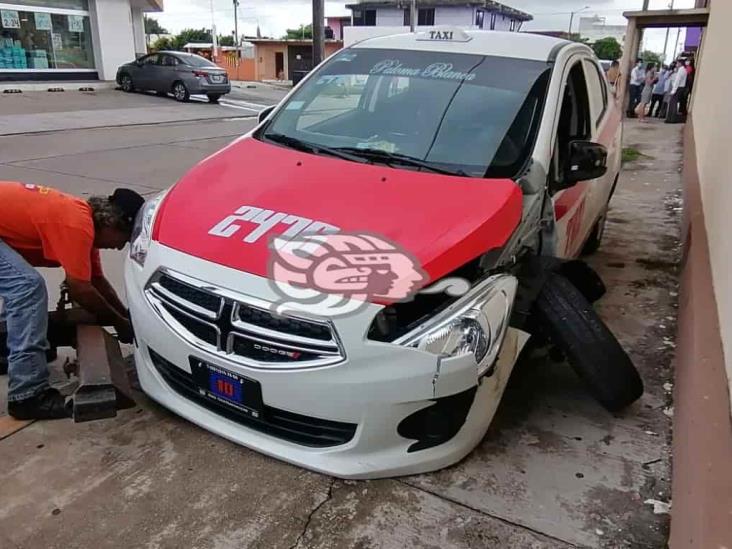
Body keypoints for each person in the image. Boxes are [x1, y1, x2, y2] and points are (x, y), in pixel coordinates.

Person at [0, 182, 144, 420]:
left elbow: (96, 282)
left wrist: (126, 316)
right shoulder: (77, 225)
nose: (120, 247)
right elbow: (80, 290)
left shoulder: (83, 222)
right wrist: (118, 323)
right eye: (124, 238)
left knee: (19, 279)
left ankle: (6, 349)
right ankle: (27, 395)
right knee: (27, 287)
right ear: (111, 224)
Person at [666, 59, 688, 123]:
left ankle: (671, 119)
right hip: (681, 88)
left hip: (678, 88)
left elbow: (677, 81)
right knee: (674, 104)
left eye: (677, 63)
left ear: (680, 63)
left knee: (672, 104)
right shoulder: (684, 69)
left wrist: (673, 91)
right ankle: (671, 118)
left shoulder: (681, 70)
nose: (676, 65)